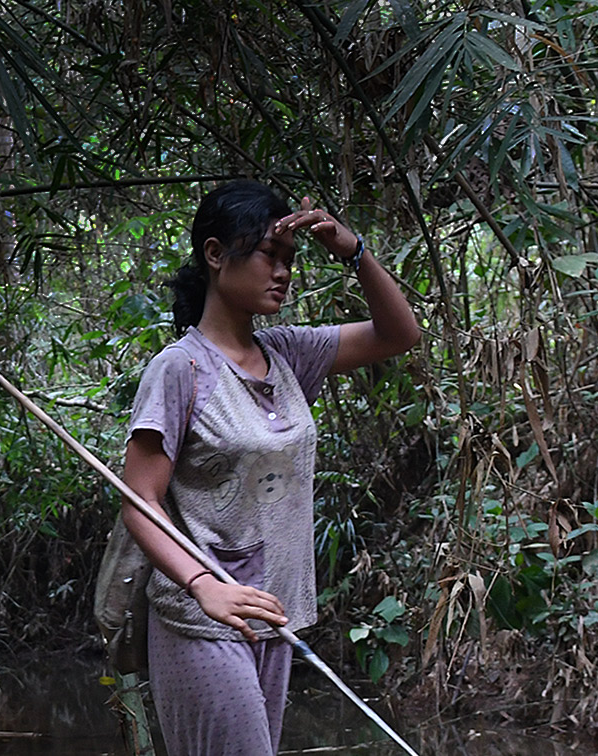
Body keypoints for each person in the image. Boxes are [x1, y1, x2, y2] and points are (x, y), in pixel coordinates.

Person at [119, 180, 420, 755]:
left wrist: (350, 249)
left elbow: (399, 334)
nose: (283, 272)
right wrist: (204, 585)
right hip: (202, 617)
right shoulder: (179, 369)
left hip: (275, 613)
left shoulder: (287, 354)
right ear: (215, 255)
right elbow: (140, 502)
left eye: (289, 260)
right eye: (267, 255)